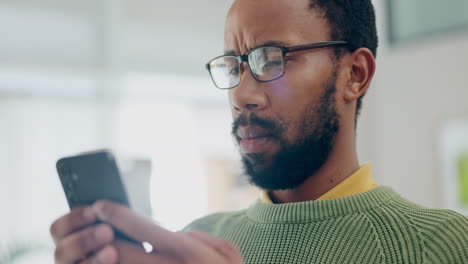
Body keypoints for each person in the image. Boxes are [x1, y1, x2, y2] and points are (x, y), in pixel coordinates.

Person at [50, 0, 468, 263]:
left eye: (272, 59)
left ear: (354, 75)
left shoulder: (440, 246)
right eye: (234, 66)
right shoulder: (197, 240)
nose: (242, 95)